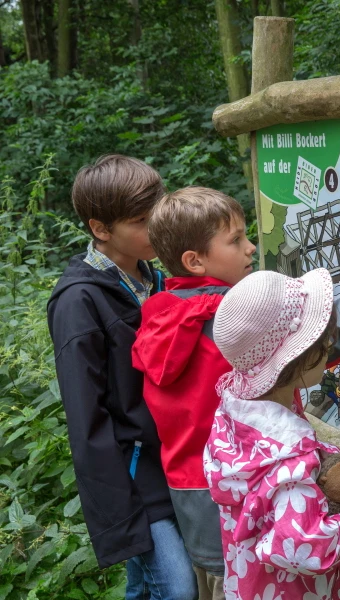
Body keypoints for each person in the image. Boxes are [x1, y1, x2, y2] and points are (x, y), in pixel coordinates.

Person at [131, 186, 340, 600]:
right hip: (263, 524)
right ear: (195, 259)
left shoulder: (162, 314)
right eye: (236, 239)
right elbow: (330, 332)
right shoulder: (227, 320)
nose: (250, 247)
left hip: (204, 507)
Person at [47, 155, 196, 600]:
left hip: (175, 460)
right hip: (132, 473)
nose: (157, 228)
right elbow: (86, 418)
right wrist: (120, 516)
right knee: (177, 587)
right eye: (141, 221)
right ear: (100, 229)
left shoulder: (157, 280)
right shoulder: (79, 302)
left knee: (150, 585)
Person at [204, 269, 340, 600]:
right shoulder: (290, 458)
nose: (329, 344)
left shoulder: (231, 415)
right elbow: (303, 545)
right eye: (322, 339)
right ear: (297, 357)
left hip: (252, 585)